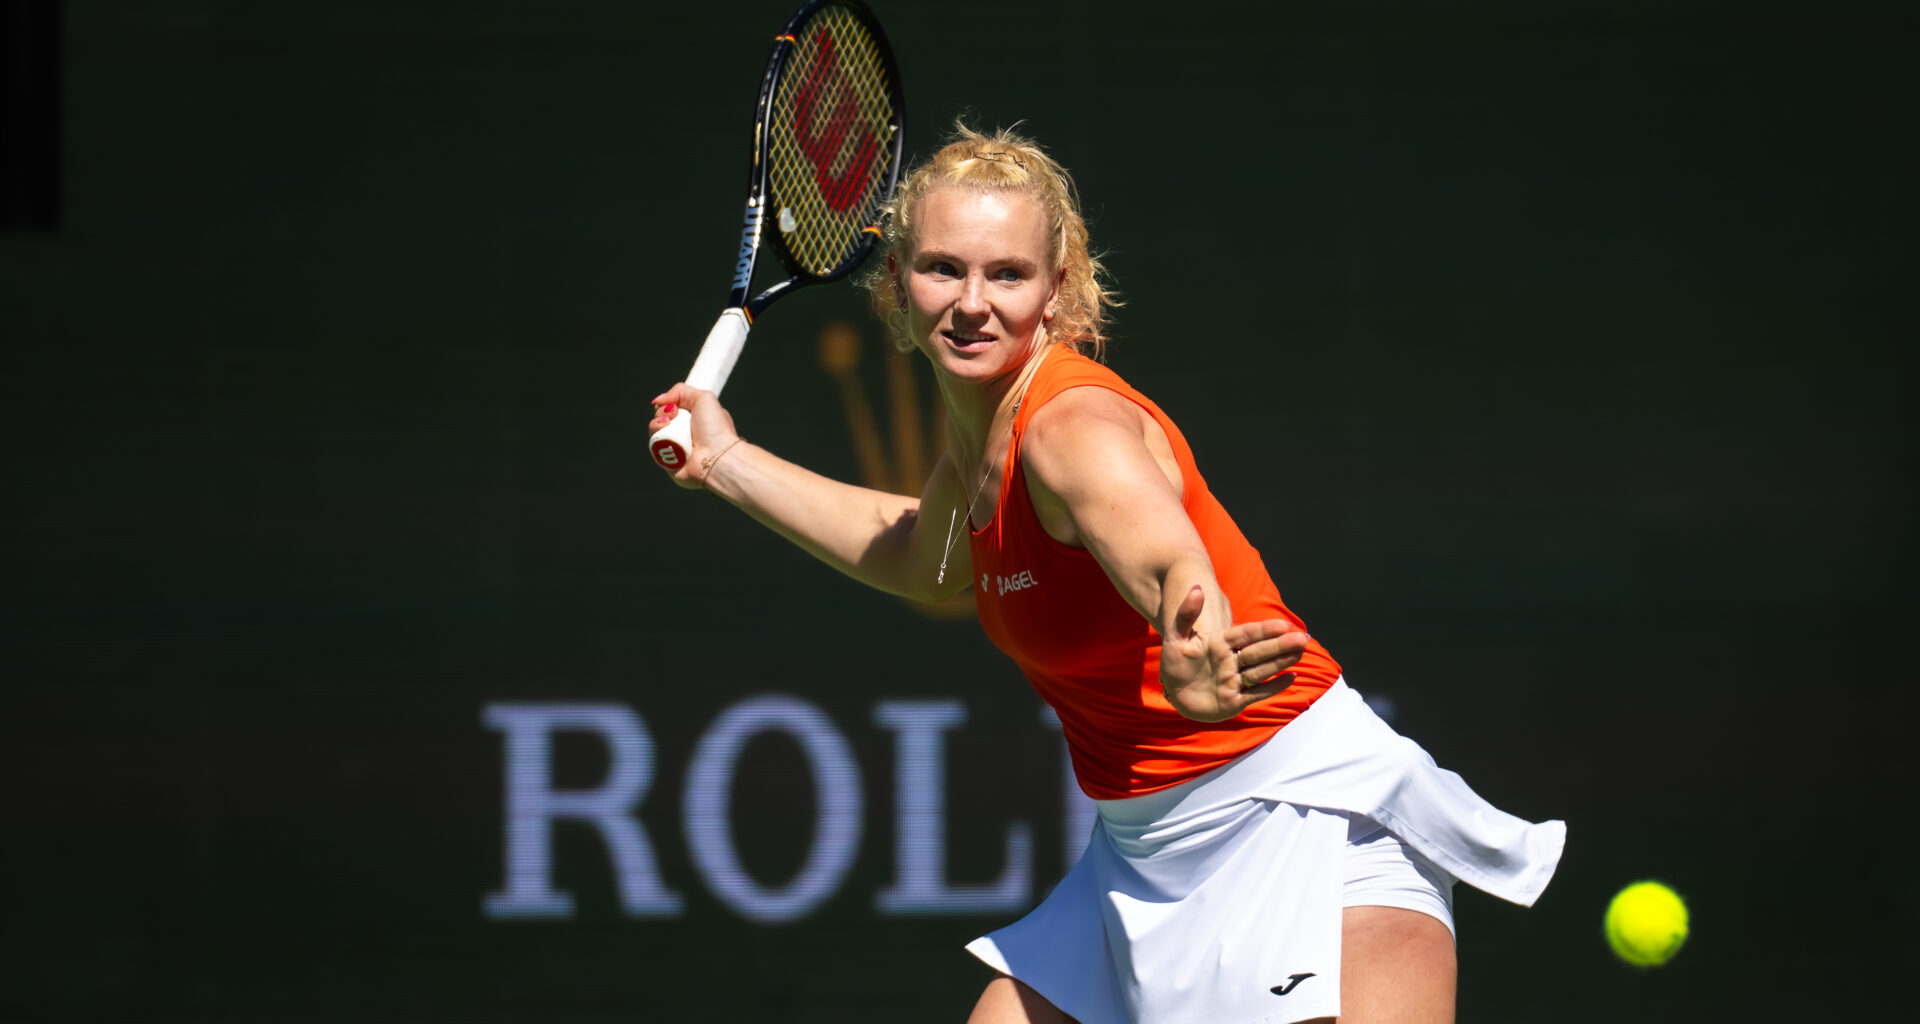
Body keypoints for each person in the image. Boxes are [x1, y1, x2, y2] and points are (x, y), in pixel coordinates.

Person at [651, 124, 1564, 1024]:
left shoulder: (1068, 430)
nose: (973, 302)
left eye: (1007, 274)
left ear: (1057, 292)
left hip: (1304, 817)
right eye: (943, 268)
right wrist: (728, 463)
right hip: (1142, 849)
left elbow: (1169, 562)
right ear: (896, 281)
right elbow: (926, 561)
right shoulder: (977, 438)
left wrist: (1192, 637)